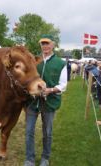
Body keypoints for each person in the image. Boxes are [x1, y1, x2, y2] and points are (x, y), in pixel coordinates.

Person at [24, 34, 67, 166]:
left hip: (50, 102)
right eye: (42, 44)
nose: (45, 46)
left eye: (47, 43)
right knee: (29, 131)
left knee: (47, 132)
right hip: (32, 102)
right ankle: (29, 159)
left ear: (53, 45)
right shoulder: (34, 61)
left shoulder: (61, 63)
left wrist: (51, 90)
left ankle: (45, 158)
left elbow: (63, 85)